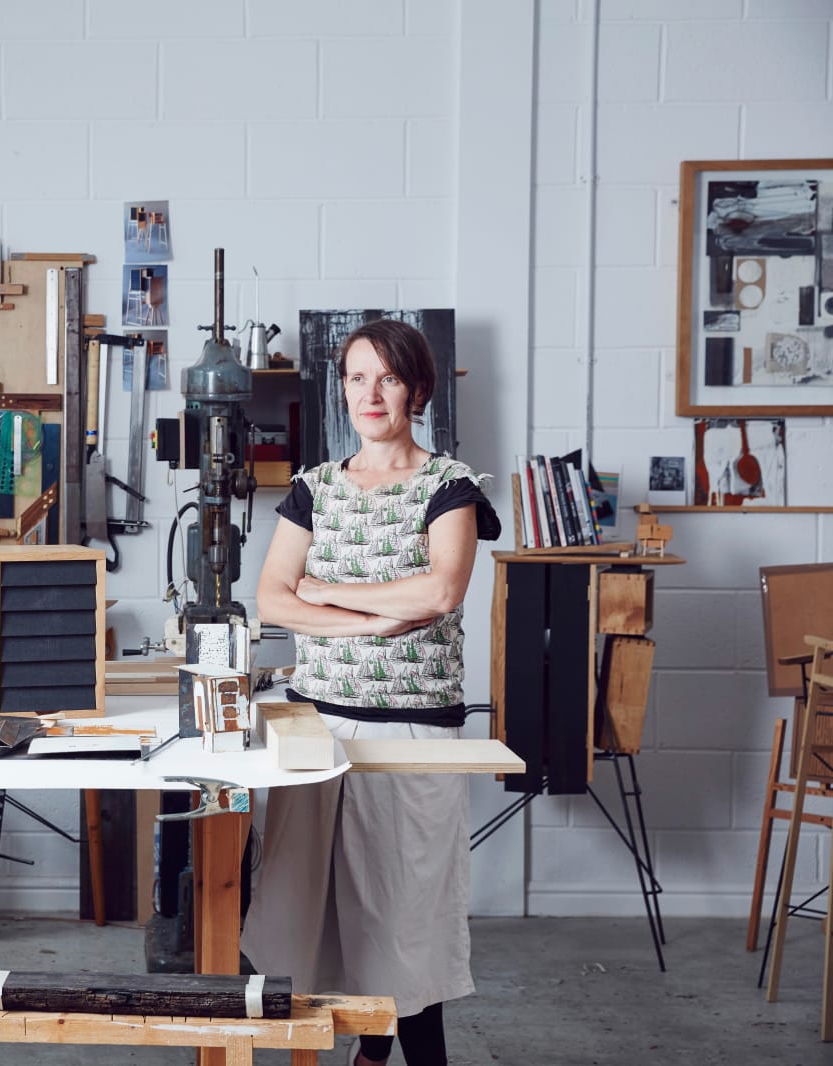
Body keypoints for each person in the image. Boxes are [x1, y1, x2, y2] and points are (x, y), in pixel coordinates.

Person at [241, 318, 501, 1066]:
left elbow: (442, 590)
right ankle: (365, 1052)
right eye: (357, 378)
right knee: (306, 920)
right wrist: (370, 620)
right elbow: (274, 601)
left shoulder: (449, 487)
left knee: (404, 927)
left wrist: (327, 594)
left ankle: (404, 1054)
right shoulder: (314, 489)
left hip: (411, 731)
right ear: (343, 389)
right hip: (317, 728)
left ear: (416, 388)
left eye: (387, 377)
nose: (371, 393)